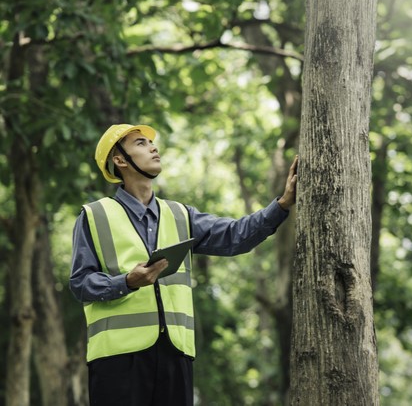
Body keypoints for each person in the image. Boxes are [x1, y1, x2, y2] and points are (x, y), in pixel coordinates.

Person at [70, 123, 298, 406]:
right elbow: (81, 283)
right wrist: (126, 282)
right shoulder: (94, 216)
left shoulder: (180, 215)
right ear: (119, 160)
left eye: (151, 143)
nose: (153, 147)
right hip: (117, 361)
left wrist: (283, 204)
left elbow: (236, 236)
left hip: (175, 356)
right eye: (140, 144)